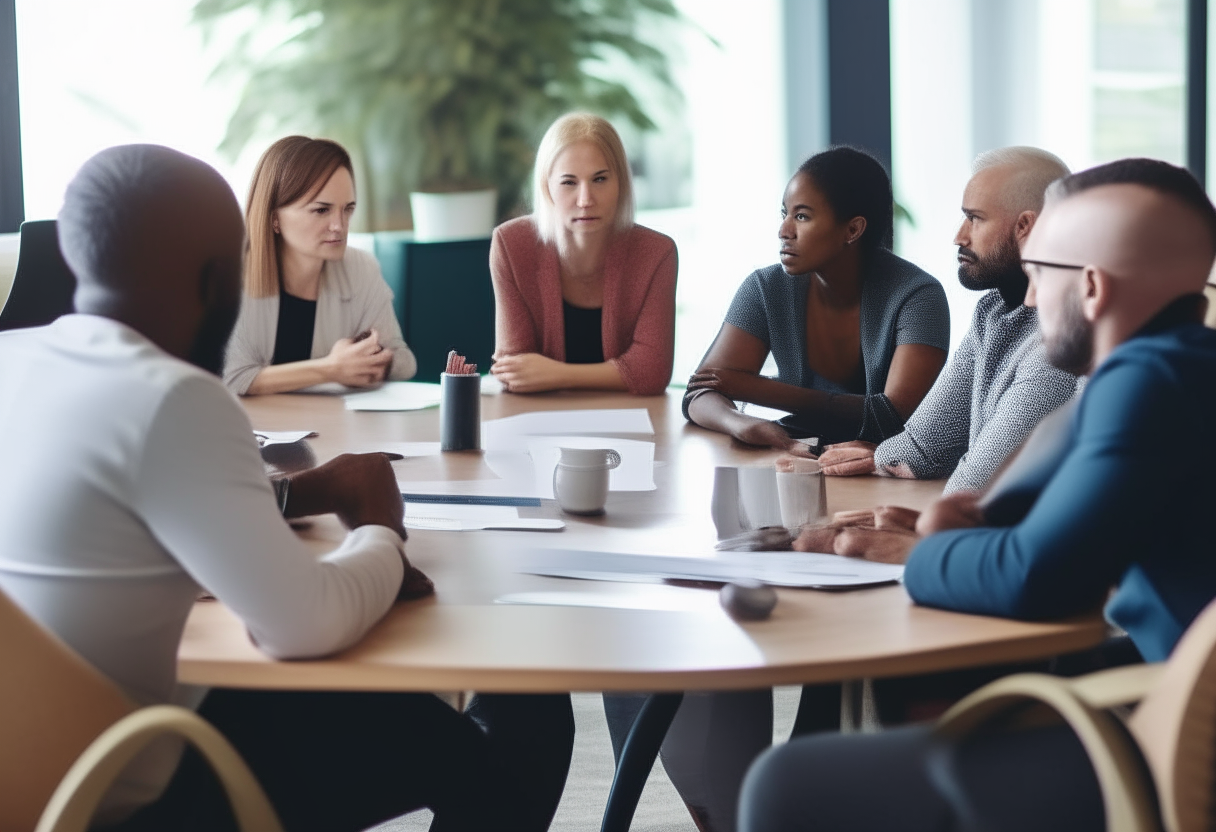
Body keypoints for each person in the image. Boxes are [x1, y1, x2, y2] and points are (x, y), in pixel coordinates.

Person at [0, 144, 572, 832]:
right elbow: (304, 626)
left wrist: (298, 495)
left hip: (28, 767)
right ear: (220, 280)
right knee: (524, 724)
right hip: (135, 778)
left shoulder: (13, 360)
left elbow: (116, 508)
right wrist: (381, 533)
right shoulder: (172, 396)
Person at [738, 157, 1216, 832]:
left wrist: (916, 554)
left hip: (1178, 739)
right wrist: (966, 527)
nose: (1027, 300)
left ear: (1091, 289)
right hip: (1154, 682)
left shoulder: (1147, 385)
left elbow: (1033, 575)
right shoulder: (1178, 365)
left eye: (1041, 273)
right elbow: (1023, 512)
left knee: (789, 785)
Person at [817, 147, 1080, 493]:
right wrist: (881, 456)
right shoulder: (993, 311)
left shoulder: (1060, 342)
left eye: (975, 218)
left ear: (1025, 226)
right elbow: (925, 447)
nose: (960, 236)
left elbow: (975, 487)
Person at [683, 146, 951, 455]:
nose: (784, 231)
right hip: (798, 461)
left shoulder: (918, 297)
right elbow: (699, 392)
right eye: (785, 214)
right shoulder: (765, 288)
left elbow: (888, 416)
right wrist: (741, 424)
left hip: (886, 471)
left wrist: (754, 388)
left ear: (852, 229)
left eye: (802, 216)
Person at [489, 112, 678, 395]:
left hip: (630, 421)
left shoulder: (656, 253)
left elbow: (652, 371)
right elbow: (514, 369)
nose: (585, 200)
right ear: (547, 187)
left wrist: (557, 374)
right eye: (569, 182)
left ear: (621, 184)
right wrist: (619, 373)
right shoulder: (511, 244)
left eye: (600, 179)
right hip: (538, 420)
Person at [223, 136, 417, 395]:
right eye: (321, 210)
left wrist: (372, 362)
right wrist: (331, 368)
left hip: (328, 425)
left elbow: (405, 362)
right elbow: (231, 377)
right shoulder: (234, 273)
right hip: (253, 430)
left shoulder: (361, 268)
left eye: (347, 209)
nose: (339, 226)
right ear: (274, 219)